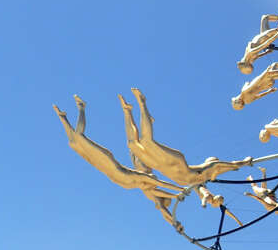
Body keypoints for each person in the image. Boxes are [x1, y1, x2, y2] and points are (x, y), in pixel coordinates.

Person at [54, 95, 184, 231]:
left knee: (74, 144)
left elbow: (163, 209)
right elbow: (161, 185)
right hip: (109, 161)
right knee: (84, 137)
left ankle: (63, 117)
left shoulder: (147, 190)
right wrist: (179, 192)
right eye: (161, 202)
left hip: (104, 167)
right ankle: (82, 107)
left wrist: (174, 223)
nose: (158, 206)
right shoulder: (146, 178)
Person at [120, 87, 253, 183]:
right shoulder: (208, 168)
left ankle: (127, 111)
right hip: (175, 162)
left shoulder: (201, 179)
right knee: (147, 142)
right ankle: (142, 102)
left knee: (133, 145)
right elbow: (231, 165)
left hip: (161, 166)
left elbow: (227, 168)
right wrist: (245, 162)